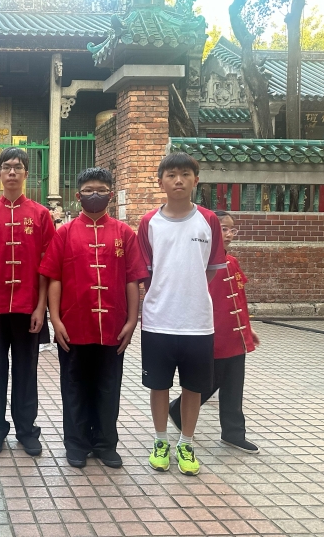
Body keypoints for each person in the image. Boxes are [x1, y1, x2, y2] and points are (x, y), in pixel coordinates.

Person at [39, 168, 147, 468]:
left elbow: (132, 279)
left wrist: (132, 321)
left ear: (110, 195)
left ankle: (105, 443)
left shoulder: (124, 234)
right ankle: (76, 443)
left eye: (101, 190)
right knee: (74, 386)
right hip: (73, 326)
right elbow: (54, 278)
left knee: (108, 387)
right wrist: (55, 319)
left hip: (113, 326)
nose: (94, 195)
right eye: (88, 190)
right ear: (78, 195)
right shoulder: (65, 233)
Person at [138, 152, 225, 476]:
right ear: (160, 181)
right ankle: (161, 441)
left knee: (194, 388)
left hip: (197, 323)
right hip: (158, 321)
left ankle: (186, 443)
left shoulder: (209, 221)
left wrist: (190, 292)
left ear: (196, 181)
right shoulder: (149, 223)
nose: (178, 180)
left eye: (185, 175)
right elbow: (146, 272)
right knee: (158, 385)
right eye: (171, 175)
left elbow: (211, 269)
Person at [0, 147, 54, 457]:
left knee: (26, 371)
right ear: (0, 173)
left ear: (26, 173)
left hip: (28, 307)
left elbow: (47, 264)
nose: (12, 172)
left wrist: (41, 307)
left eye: (18, 167)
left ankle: (26, 430)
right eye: (7, 167)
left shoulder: (41, 215)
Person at [169, 210, 260, 454]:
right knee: (210, 381)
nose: (228, 234)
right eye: (223, 228)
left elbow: (239, 298)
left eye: (232, 229)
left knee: (234, 386)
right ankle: (177, 410)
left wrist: (248, 329)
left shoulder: (233, 262)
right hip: (212, 334)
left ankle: (233, 433)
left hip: (236, 336)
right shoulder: (200, 263)